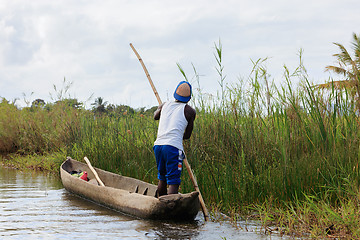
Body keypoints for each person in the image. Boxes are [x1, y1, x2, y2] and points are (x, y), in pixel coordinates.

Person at [153, 81, 196, 196]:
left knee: (162, 178)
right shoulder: (190, 111)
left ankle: (161, 203)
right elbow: (187, 136)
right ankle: (170, 208)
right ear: (189, 98)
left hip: (158, 146)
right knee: (173, 181)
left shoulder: (165, 105)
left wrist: (160, 107)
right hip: (172, 147)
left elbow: (155, 116)